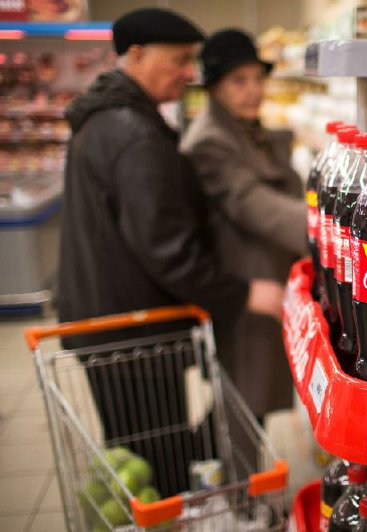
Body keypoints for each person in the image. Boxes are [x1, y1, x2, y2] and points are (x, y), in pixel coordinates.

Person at [59, 8, 283, 495]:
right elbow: (169, 250)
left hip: (107, 315)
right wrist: (243, 292)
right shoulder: (135, 135)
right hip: (129, 327)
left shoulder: (109, 118)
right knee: (154, 463)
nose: (189, 73)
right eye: (179, 60)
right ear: (135, 56)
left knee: (135, 455)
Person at [181, 29, 307, 419]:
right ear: (215, 87)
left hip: (267, 274)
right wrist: (326, 230)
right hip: (244, 286)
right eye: (239, 81)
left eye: (258, 78)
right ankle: (235, 480)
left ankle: (238, 475)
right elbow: (253, 204)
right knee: (242, 402)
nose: (253, 90)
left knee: (252, 401)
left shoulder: (248, 129)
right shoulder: (210, 141)